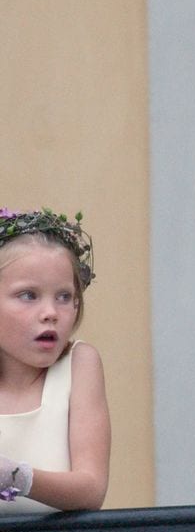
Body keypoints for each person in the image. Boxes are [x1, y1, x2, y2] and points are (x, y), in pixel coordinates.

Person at [0, 208, 110, 513]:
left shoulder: (79, 364)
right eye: (28, 295)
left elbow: (91, 490)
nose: (51, 312)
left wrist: (13, 476)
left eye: (64, 296)